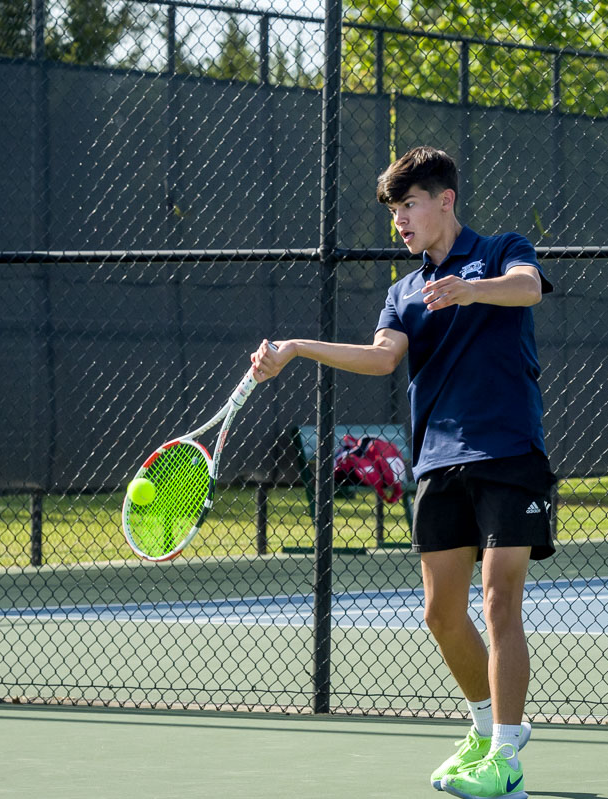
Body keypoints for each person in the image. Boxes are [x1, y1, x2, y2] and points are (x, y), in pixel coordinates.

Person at [250, 146, 553, 799]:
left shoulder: (502, 248)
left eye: (408, 205)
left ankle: (507, 756)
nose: (400, 221)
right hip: (439, 461)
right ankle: (483, 729)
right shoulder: (403, 291)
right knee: (442, 614)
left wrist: (473, 289)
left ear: (445, 199)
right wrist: (297, 348)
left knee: (500, 599)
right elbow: (383, 357)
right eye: (393, 211)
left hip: (508, 451)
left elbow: (528, 288)